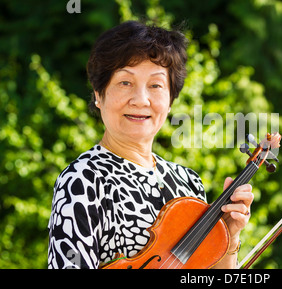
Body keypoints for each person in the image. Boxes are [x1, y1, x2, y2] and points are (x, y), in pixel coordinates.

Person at [47, 20, 253, 269]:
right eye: (125, 82)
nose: (140, 99)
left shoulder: (188, 181)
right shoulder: (83, 180)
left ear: (170, 101)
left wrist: (228, 238)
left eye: (155, 85)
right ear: (98, 94)